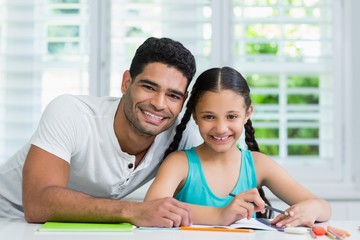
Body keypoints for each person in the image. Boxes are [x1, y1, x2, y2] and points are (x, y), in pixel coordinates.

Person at [0, 37, 202, 227]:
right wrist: (135, 211)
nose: (159, 104)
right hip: (9, 217)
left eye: (173, 96)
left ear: (183, 101)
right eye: (149, 87)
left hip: (72, 226)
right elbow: (37, 204)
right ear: (126, 83)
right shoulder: (71, 113)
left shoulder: (181, 136)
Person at [145, 66, 331, 227]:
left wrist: (312, 208)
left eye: (231, 116)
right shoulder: (179, 163)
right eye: (209, 117)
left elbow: (323, 208)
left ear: (247, 113)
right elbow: (152, 207)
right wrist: (220, 215)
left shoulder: (258, 165)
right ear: (194, 115)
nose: (221, 128)